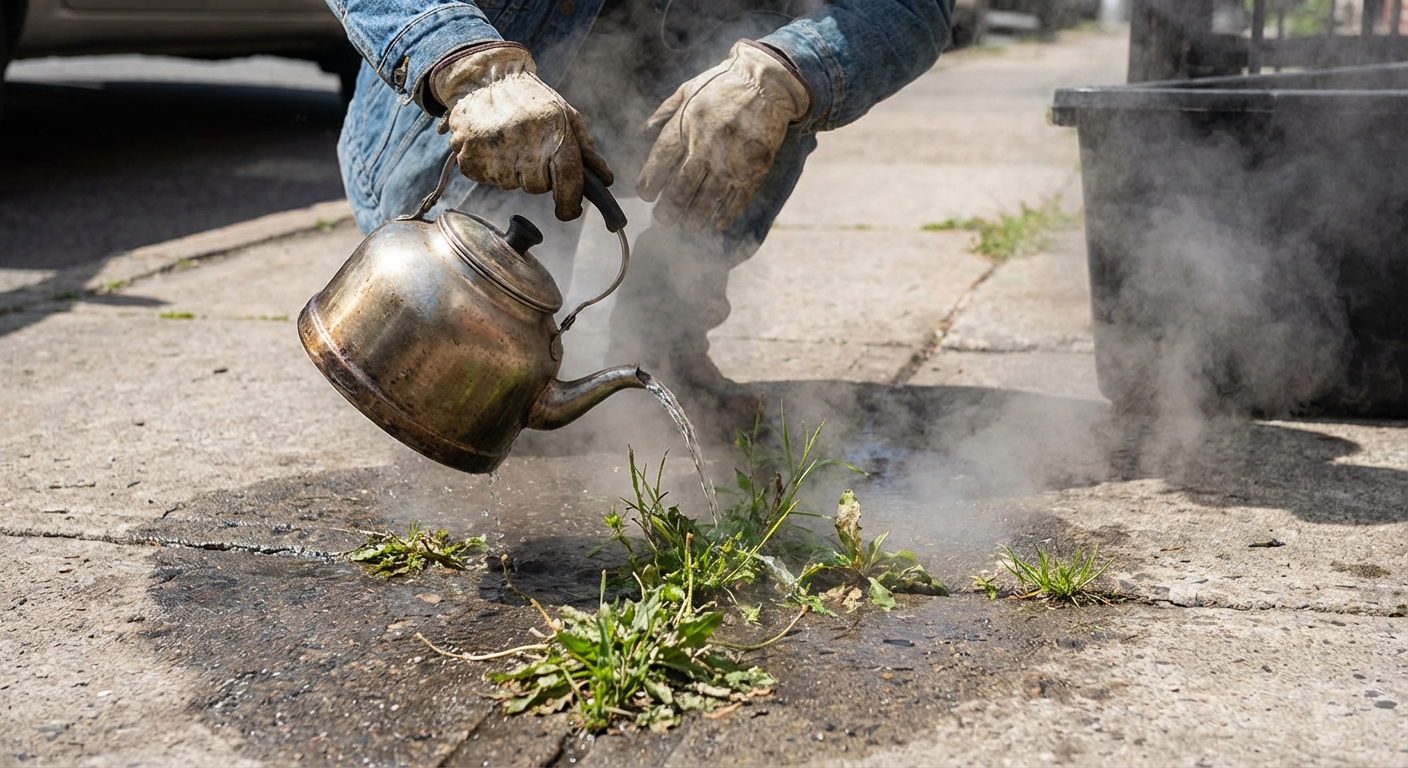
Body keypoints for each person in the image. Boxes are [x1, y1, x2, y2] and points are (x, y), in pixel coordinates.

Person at [324, 0, 953, 433]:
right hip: (476, 104)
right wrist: (464, 63)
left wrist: (788, 71)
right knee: (451, 348)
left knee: (769, 94)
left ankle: (667, 344)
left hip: (676, 95)